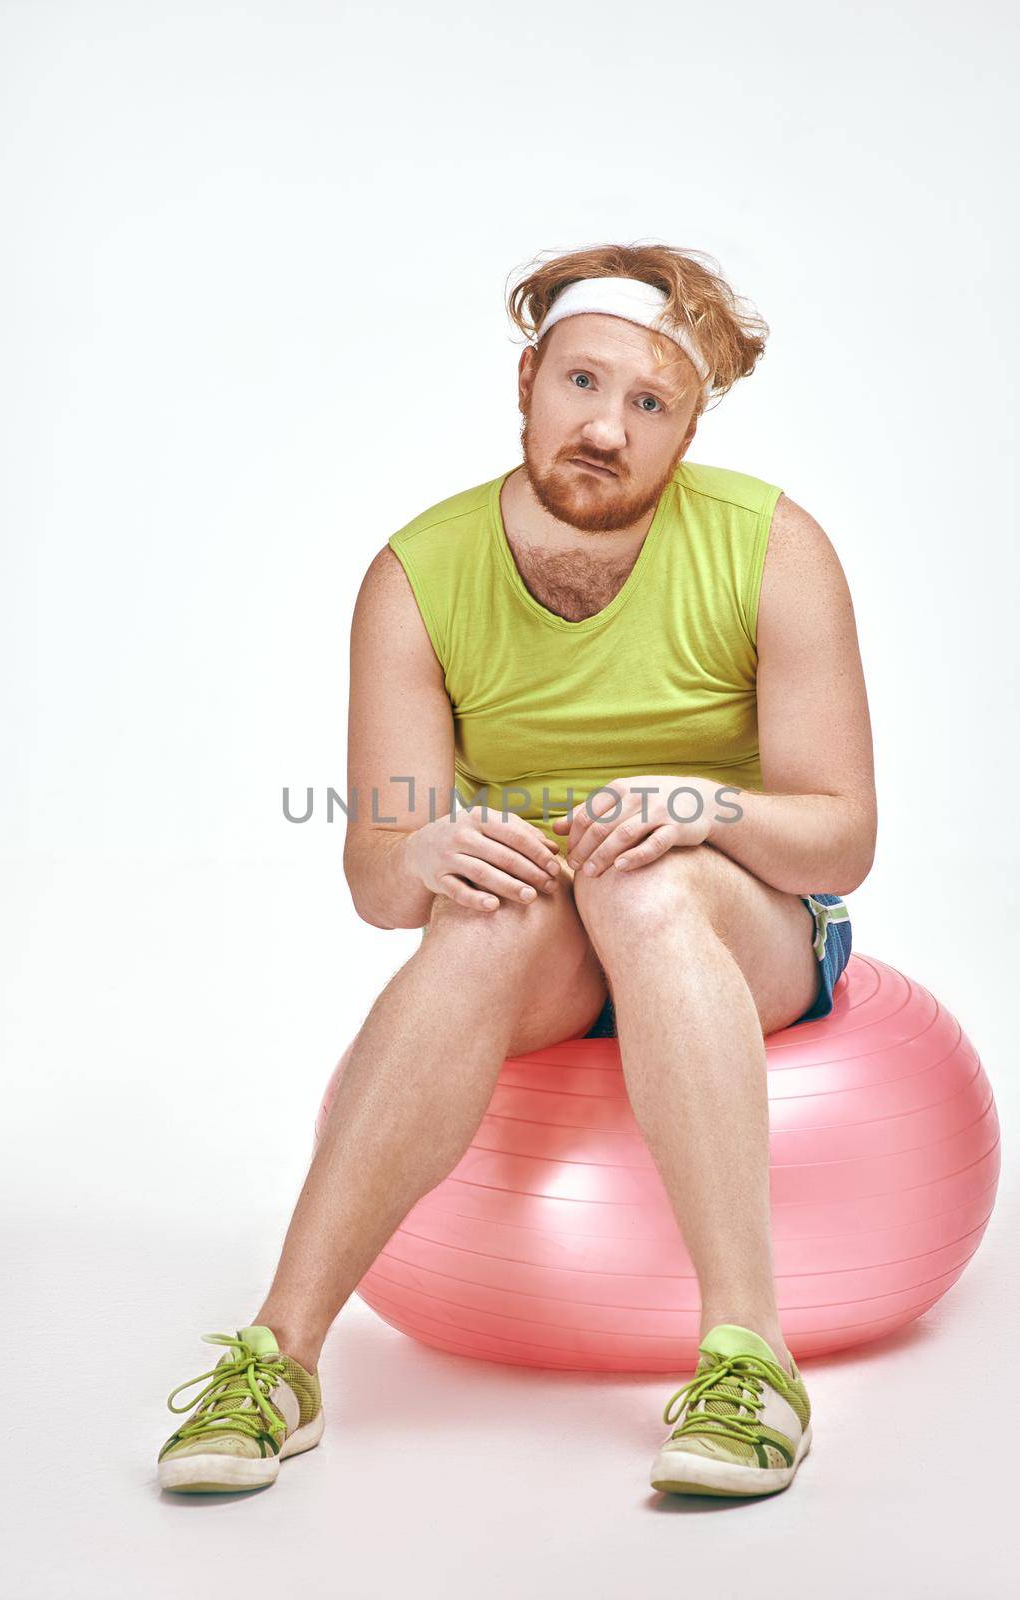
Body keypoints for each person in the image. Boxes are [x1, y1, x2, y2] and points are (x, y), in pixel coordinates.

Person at [156, 243, 875, 1499]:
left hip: (736, 916)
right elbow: (380, 882)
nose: (606, 427)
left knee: (640, 885)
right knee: (479, 923)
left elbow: (843, 837)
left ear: (690, 425)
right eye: (582, 383)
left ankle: (753, 1361)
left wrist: (699, 805)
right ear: (529, 380)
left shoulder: (773, 547)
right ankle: (281, 1355)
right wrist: (418, 840)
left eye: (650, 403)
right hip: (538, 935)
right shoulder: (415, 578)